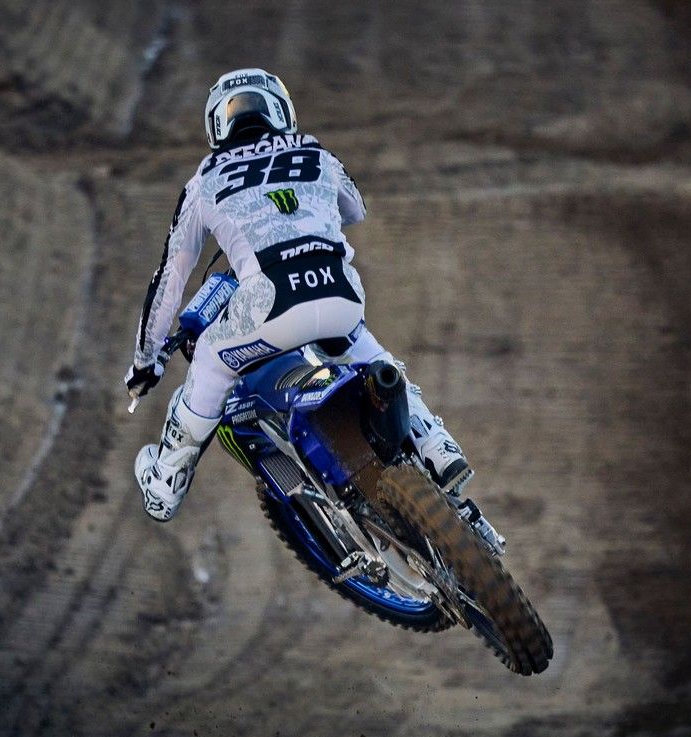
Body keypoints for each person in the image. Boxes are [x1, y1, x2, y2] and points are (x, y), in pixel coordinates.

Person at [125, 68, 471, 523]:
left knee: (210, 356)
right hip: (339, 292)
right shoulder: (316, 153)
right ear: (281, 110)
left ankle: (166, 481)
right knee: (368, 352)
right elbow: (355, 210)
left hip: (268, 304)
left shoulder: (206, 179)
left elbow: (169, 278)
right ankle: (436, 445)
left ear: (216, 126)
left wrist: (146, 361)